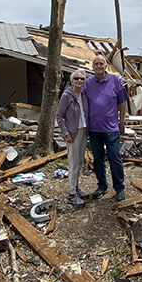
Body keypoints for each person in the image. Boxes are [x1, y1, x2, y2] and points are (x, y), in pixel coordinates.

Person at [83, 54, 129, 202]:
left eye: (101, 63)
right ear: (92, 66)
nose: (98, 66)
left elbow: (123, 102)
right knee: (98, 159)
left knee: (115, 158)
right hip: (94, 128)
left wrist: (122, 121)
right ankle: (102, 186)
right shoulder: (88, 83)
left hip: (111, 128)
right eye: (95, 63)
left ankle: (119, 188)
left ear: (106, 66)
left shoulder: (115, 80)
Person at [56, 69, 90, 208]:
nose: (79, 81)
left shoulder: (83, 94)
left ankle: (76, 188)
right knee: (73, 163)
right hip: (72, 134)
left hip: (83, 131)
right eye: (77, 78)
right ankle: (71, 194)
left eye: (82, 79)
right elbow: (59, 116)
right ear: (72, 80)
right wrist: (66, 133)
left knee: (80, 161)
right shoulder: (66, 95)